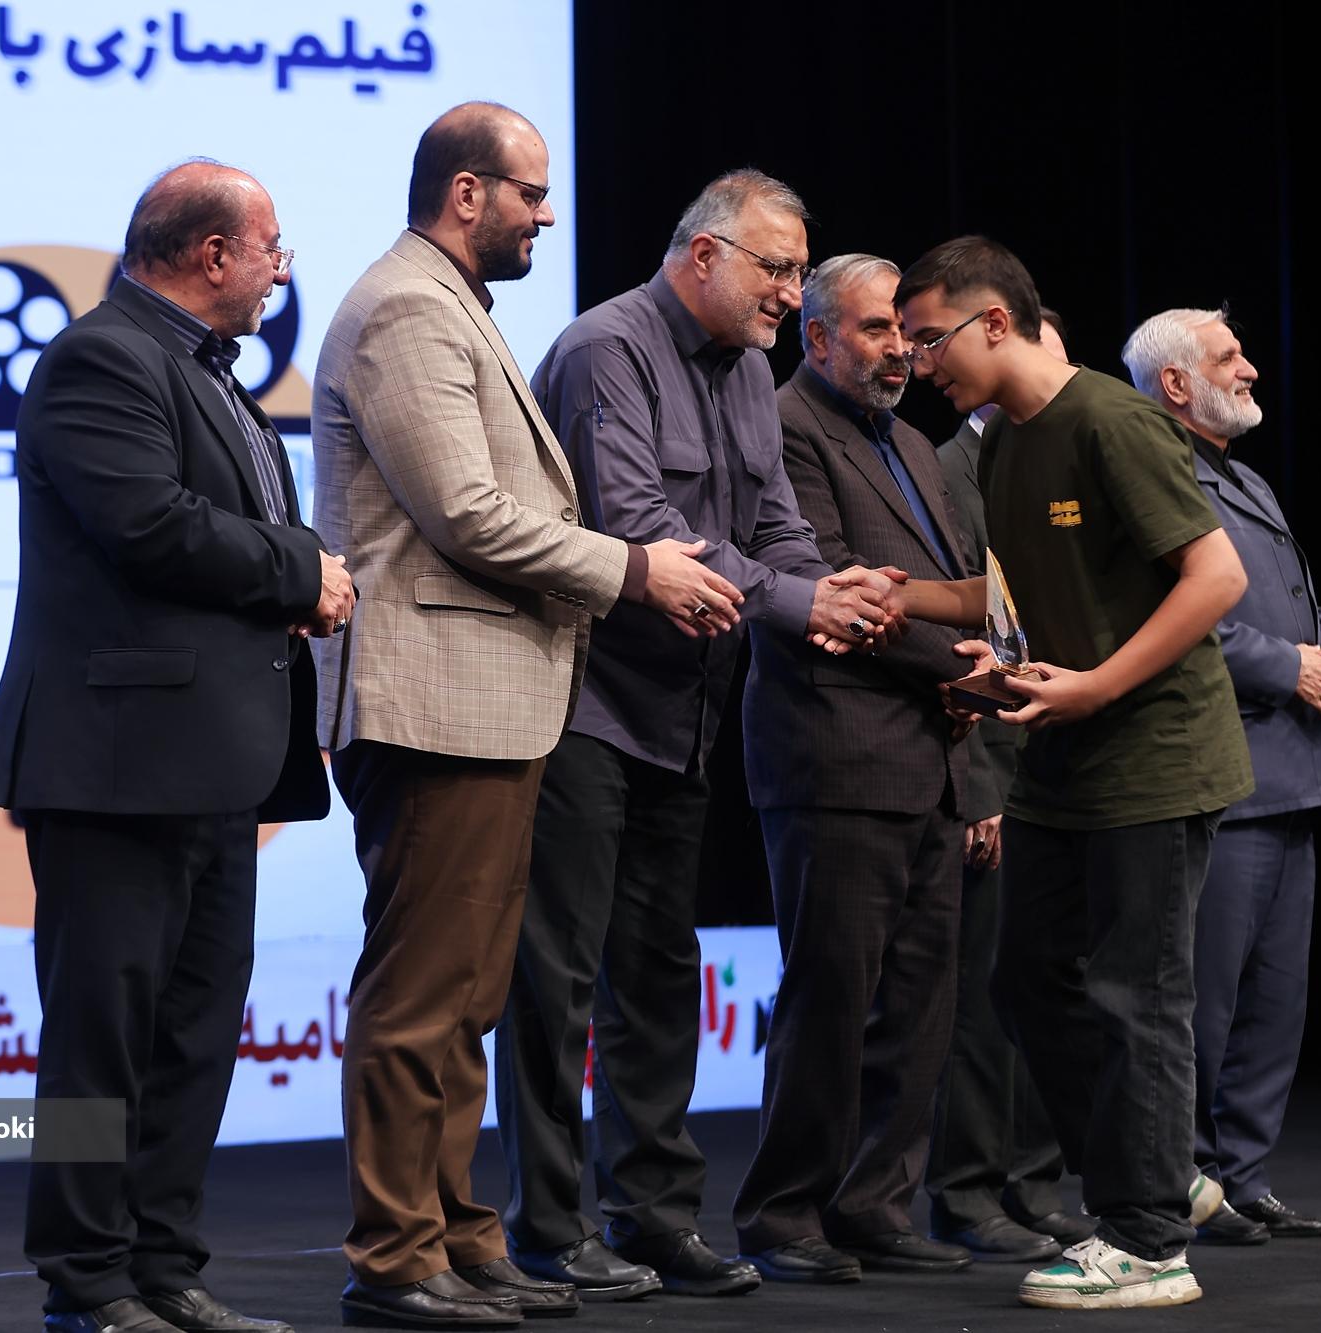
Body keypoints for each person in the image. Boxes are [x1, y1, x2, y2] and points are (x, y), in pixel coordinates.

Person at [311, 103, 744, 1331]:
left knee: (468, 998)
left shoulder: (453, 306)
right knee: (420, 996)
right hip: (431, 705)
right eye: (530, 194)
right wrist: (632, 569)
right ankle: (394, 1255)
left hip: (491, 706)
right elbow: (464, 513)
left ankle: (459, 1236)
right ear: (467, 193)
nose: (547, 216)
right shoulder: (404, 308)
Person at [496, 170, 903, 1302]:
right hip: (585, 705)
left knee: (659, 973)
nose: (791, 291)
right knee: (558, 979)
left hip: (684, 714)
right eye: (776, 267)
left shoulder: (751, 371)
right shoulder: (605, 349)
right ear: (703, 254)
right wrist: (799, 603)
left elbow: (772, 522)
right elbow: (636, 526)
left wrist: (829, 587)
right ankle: (547, 1226)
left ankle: (655, 1217)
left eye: (798, 271)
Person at [0, 159, 354, 1333]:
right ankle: (87, 1282)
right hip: (115, 764)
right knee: (103, 1035)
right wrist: (303, 570)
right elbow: (147, 524)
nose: (280, 271)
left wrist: (290, 574)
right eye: (272, 248)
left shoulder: (209, 371)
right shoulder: (101, 357)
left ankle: (162, 1268)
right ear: (211, 253)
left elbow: (221, 523)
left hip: (215, 764)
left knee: (192, 1032)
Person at [884, 234, 1255, 1310]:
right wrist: (902, 597)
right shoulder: (1004, 441)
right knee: (1025, 978)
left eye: (928, 339)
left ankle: (1147, 1239)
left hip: (1153, 756)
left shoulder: (1109, 422)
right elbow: (1010, 594)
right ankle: (1154, 1170)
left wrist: (1093, 686)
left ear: (994, 322)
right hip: (1062, 759)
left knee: (1138, 992)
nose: (916, 362)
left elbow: (1215, 576)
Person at [727, 253, 978, 1283]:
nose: (899, 351)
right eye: (877, 330)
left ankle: (874, 1205)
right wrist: (971, 665)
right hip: (833, 751)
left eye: (907, 334)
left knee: (917, 1002)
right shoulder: (783, 424)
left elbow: (952, 585)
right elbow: (832, 590)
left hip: (930, 757)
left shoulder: (913, 442)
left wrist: (977, 670)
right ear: (818, 335)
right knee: (831, 996)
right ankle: (783, 1212)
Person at [1124, 307, 1321, 1242]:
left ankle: (1246, 1173)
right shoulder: (1153, 474)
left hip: (1297, 771)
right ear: (1176, 382)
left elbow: (1297, 598)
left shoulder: (1246, 476)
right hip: (1220, 775)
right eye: (1229, 356)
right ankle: (1187, 1179)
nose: (1252, 369)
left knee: (1275, 1000)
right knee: (1204, 999)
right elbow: (1172, 619)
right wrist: (1287, 667)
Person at [921, 310, 1092, 1265]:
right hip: (992, 764)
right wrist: (980, 782)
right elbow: (970, 626)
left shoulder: (1052, 458)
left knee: (1046, 985)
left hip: (1059, 763)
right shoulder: (954, 467)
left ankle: (1033, 1183)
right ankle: (968, 1190)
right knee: (984, 998)